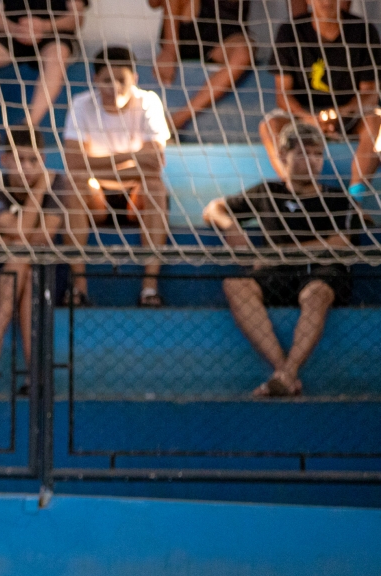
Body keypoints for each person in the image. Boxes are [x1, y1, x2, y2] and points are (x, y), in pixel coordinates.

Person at [203, 121, 361, 398]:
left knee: (316, 293)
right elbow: (213, 208)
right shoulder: (268, 192)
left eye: (317, 154)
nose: (312, 160)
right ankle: (283, 372)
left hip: (319, 271)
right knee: (235, 285)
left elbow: (342, 241)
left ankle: (288, 372)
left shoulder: (337, 198)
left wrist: (286, 253)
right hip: (276, 274)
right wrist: (230, 226)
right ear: (283, 155)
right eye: (302, 153)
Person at [62, 46, 170, 307]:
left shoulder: (148, 102)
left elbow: (154, 164)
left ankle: (149, 287)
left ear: (135, 79)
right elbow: (73, 164)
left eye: (121, 80)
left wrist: (93, 165)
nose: (114, 87)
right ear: (95, 80)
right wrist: (132, 156)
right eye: (106, 80)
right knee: (72, 185)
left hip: (135, 196)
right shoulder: (81, 104)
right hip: (97, 196)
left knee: (155, 187)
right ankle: (78, 287)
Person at [0, 126, 66, 375]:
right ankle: (35, 378)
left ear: (43, 159)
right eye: (19, 159)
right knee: (23, 261)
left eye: (33, 160)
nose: (27, 166)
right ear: (4, 160)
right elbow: (24, 234)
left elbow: (43, 237)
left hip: (49, 276)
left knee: (27, 265)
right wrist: (39, 190)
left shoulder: (58, 184)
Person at [262, 0, 381, 197]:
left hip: (349, 114)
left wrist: (340, 113)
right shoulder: (290, 31)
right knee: (270, 125)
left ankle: (355, 198)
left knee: (377, 120)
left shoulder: (363, 30)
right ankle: (296, 193)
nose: (326, 1)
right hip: (304, 115)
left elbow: (370, 94)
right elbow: (282, 94)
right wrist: (309, 118)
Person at [0, 0, 88, 143]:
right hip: (12, 33)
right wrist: (18, 30)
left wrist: (43, 26)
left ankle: (29, 126)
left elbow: (76, 18)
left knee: (58, 54)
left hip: (53, 35)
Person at [150, 0, 254, 133]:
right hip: (189, 28)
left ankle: (176, 121)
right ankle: (170, 49)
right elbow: (153, 3)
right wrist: (168, 50)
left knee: (244, 51)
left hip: (228, 34)